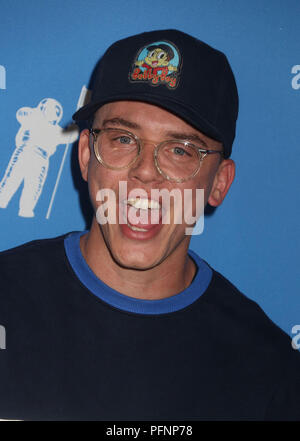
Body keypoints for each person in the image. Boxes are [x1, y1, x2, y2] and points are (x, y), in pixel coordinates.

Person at [0, 29, 299, 421]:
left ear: (219, 183)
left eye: (179, 151)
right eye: (123, 139)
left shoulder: (270, 375)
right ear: (87, 155)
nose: (144, 172)